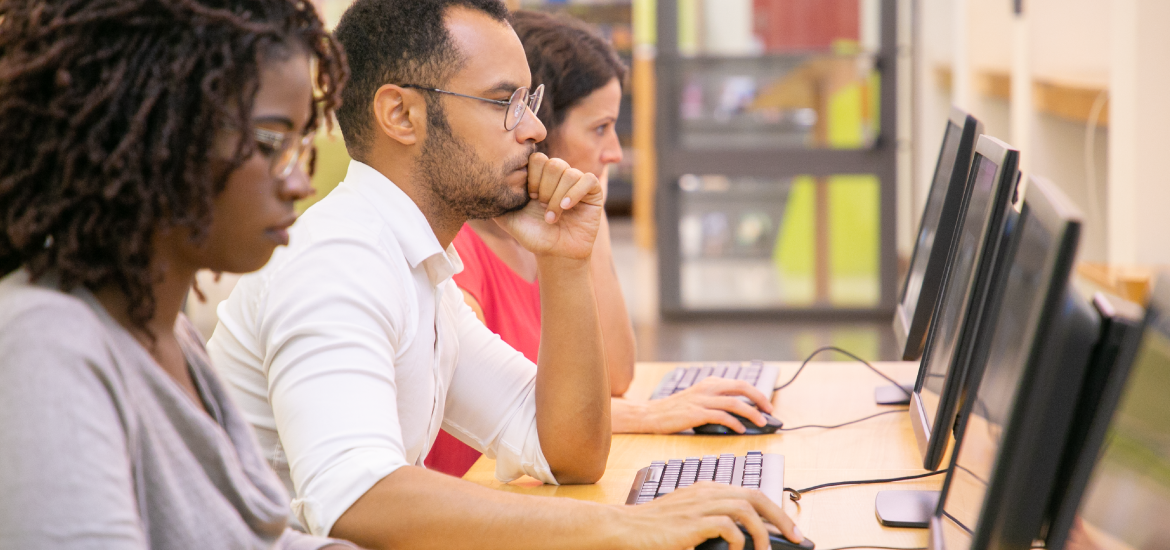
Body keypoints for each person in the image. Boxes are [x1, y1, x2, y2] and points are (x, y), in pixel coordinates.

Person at [207, 1, 804, 549]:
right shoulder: (339, 260)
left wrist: (564, 264)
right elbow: (356, 499)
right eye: (504, 103)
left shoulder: (419, 273)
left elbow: (568, 451)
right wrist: (626, 525)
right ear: (400, 114)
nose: (535, 130)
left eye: (531, 102)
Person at [0, 0, 354, 548]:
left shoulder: (168, 331)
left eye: (300, 143)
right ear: (151, 134)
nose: (298, 182)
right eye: (268, 143)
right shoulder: (47, 344)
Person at [424, 9, 778, 479]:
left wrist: (594, 224)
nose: (614, 150)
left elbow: (614, 376)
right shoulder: (457, 257)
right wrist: (654, 415)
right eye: (599, 128)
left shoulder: (536, 244)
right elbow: (513, 427)